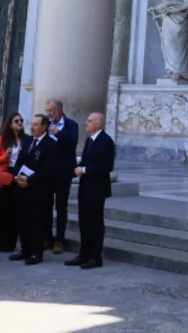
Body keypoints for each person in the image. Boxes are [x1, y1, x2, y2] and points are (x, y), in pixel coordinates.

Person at [65, 112, 114, 270]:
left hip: (97, 189)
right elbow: (85, 161)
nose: (86, 123)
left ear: (98, 124)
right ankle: (84, 254)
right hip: (85, 188)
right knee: (84, 222)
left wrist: (84, 169)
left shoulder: (106, 141)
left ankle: (95, 256)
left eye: (90, 121)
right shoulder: (89, 140)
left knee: (95, 223)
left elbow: (107, 167)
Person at [10, 113, 54, 265]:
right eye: (32, 124)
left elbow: (47, 169)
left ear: (44, 127)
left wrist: (29, 180)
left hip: (39, 189)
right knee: (23, 220)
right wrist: (16, 176)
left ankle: (36, 253)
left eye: (36, 124)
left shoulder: (51, 144)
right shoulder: (28, 140)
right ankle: (24, 249)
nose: (32, 127)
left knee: (37, 222)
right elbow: (19, 160)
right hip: (22, 187)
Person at [43, 98, 78, 254]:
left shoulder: (71, 125)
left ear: (59, 110)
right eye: (47, 111)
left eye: (51, 110)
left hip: (63, 173)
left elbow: (72, 144)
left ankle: (60, 240)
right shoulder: (46, 125)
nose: (49, 114)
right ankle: (47, 237)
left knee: (61, 207)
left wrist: (59, 134)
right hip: (48, 172)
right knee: (46, 205)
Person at [0, 112, 26, 253]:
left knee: (16, 209)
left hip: (20, 173)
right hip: (6, 173)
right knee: (3, 209)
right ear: (10, 124)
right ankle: (1, 241)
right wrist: (4, 156)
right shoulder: (2, 139)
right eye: (16, 121)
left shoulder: (26, 140)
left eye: (21, 120)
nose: (19, 123)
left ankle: (12, 242)